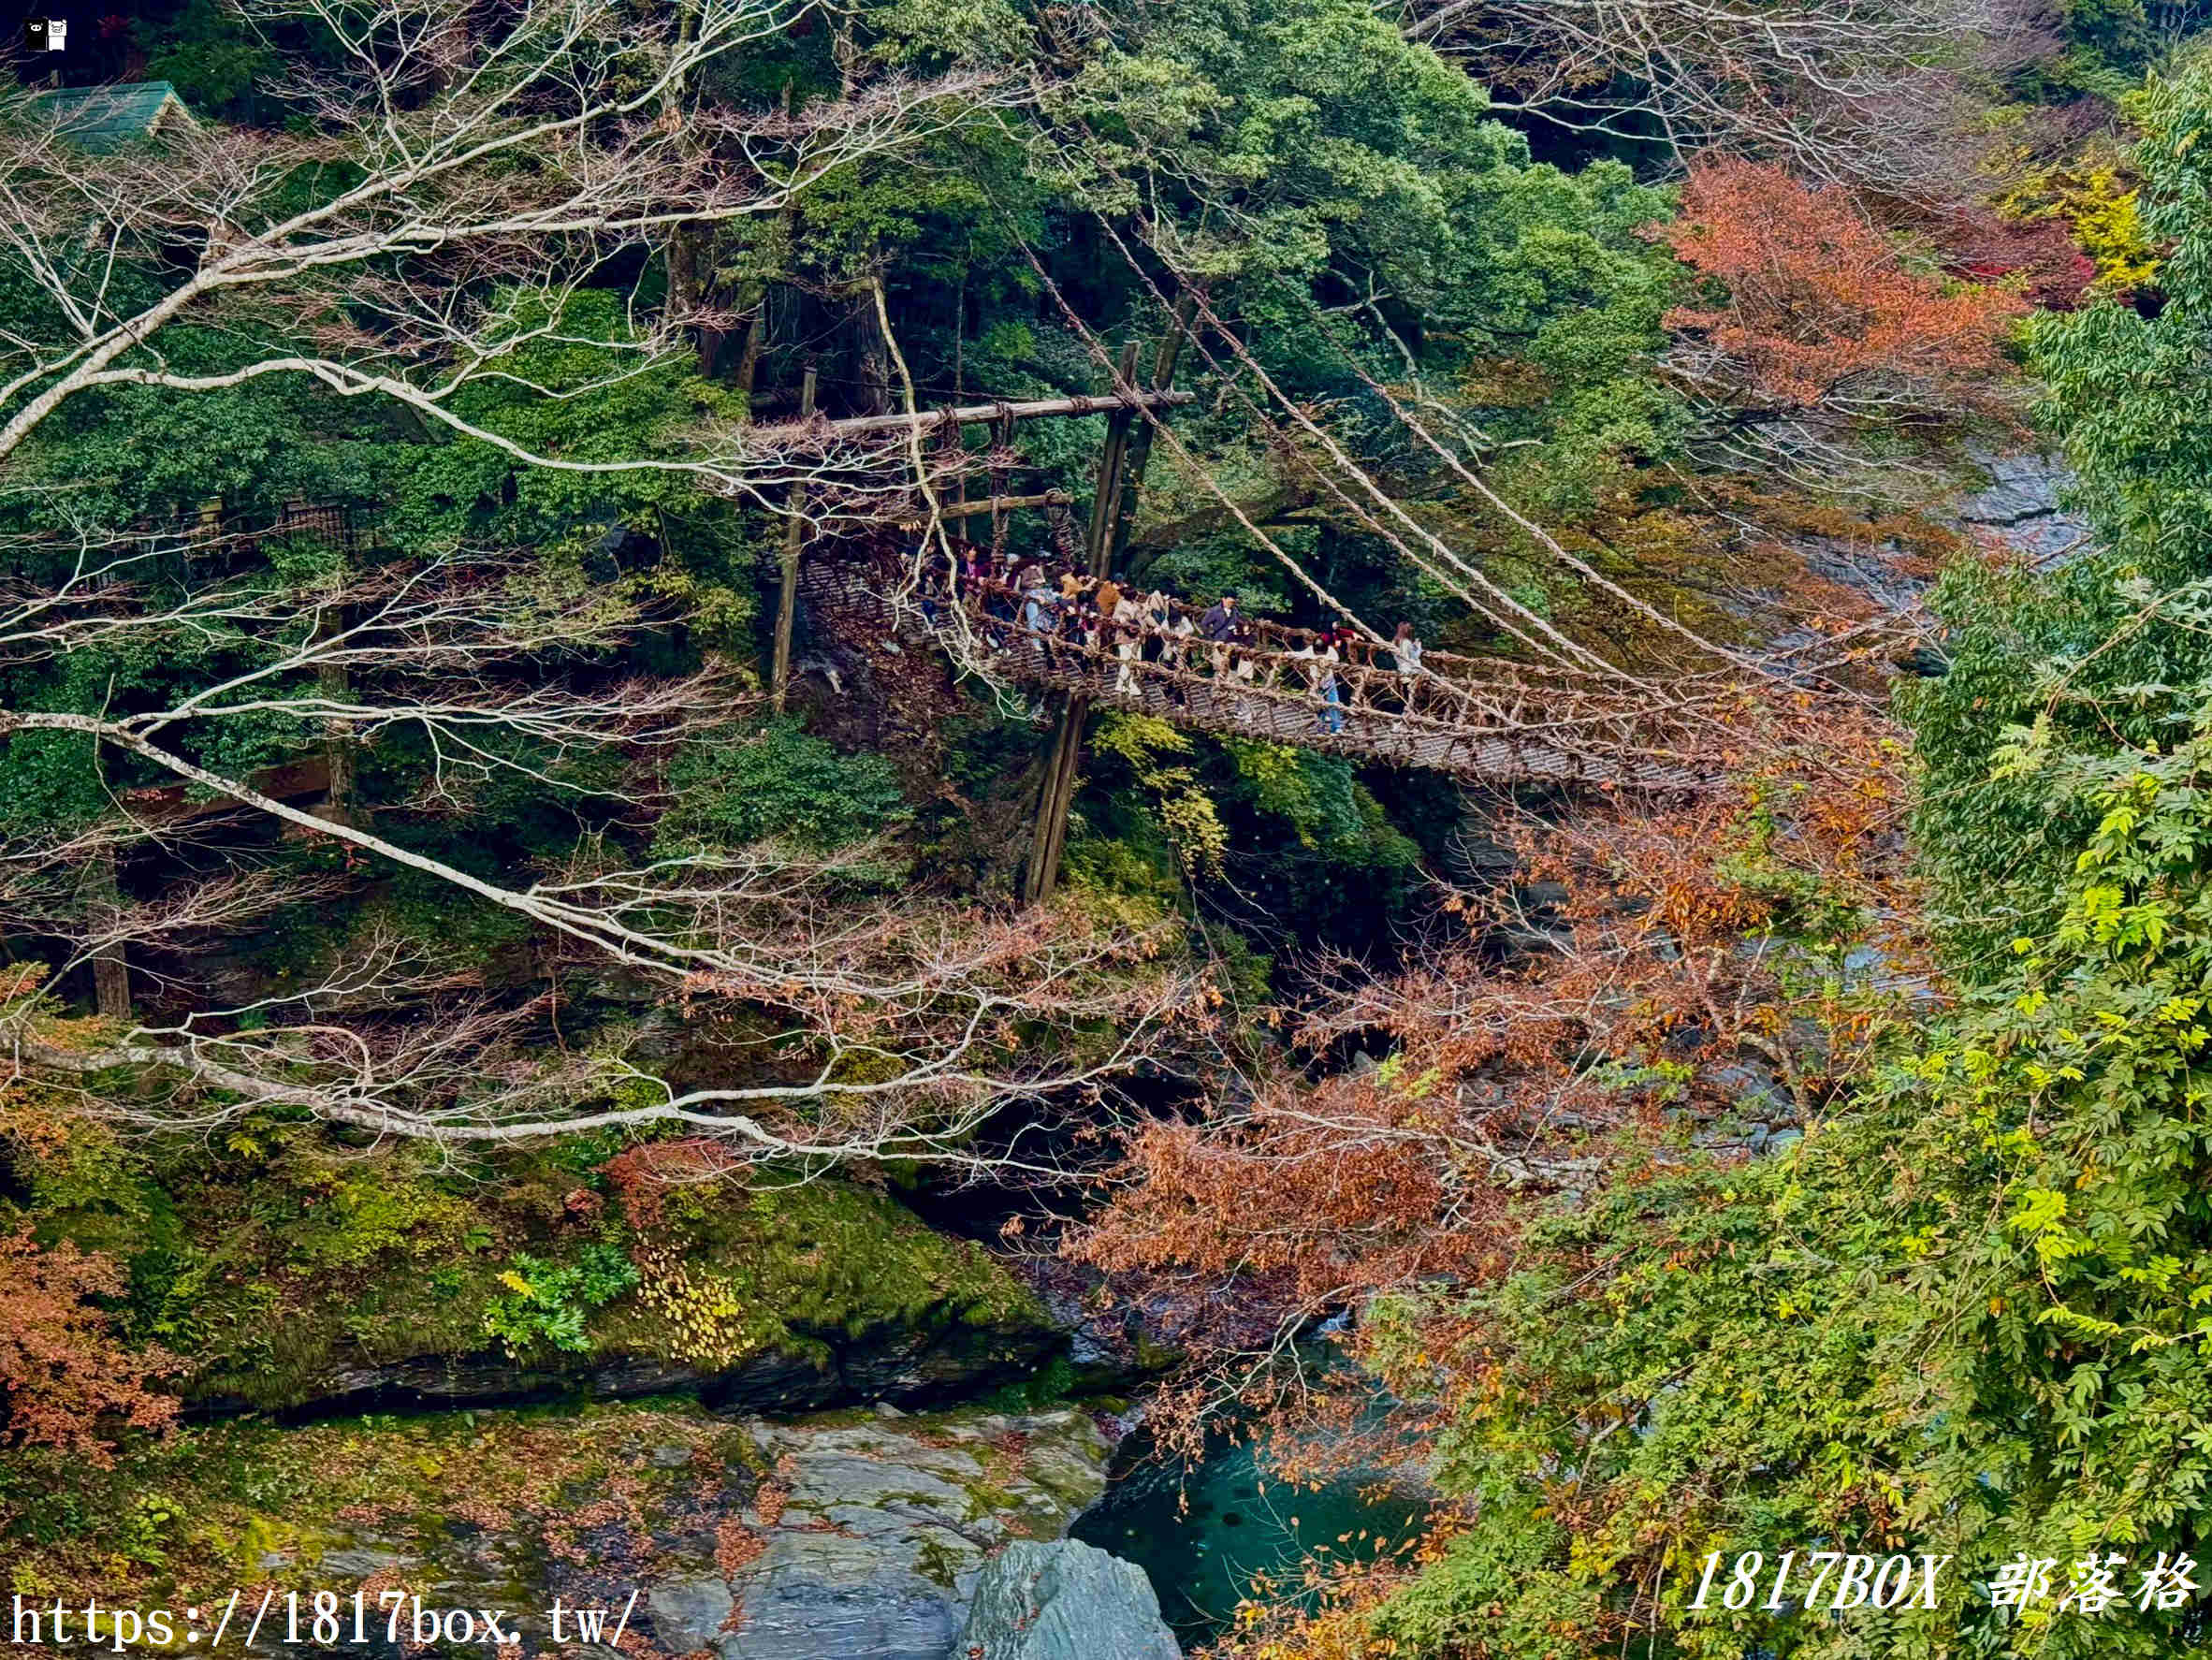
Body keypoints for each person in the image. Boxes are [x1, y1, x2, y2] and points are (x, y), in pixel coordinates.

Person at [1390, 621, 1424, 721]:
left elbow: (1401, 655)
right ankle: (1411, 716)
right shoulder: (1407, 642)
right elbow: (1415, 656)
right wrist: (1419, 646)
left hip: (1401, 670)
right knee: (1413, 696)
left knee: (1405, 696)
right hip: (1412, 672)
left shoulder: (1394, 641)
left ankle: (1404, 716)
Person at [1201, 592, 1239, 677]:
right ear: (1223, 599)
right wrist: (1212, 640)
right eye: (1229, 602)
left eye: (1233, 603)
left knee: (1232, 669)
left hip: (1232, 644)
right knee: (1219, 668)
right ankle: (1216, 688)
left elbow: (1239, 623)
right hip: (1219, 643)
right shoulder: (1214, 611)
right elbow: (1204, 625)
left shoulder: (1236, 611)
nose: (1231, 604)